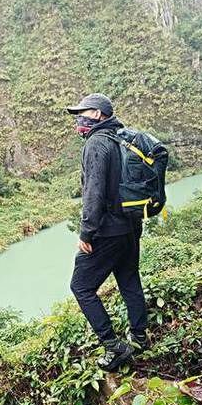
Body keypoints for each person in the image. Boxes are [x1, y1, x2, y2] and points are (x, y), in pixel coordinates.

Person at [66, 93, 149, 372]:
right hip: (130, 226)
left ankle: (115, 347)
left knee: (81, 286)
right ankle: (140, 337)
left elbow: (94, 193)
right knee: (128, 279)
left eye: (84, 113)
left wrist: (86, 233)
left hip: (107, 231)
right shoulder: (121, 138)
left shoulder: (96, 144)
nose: (79, 119)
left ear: (99, 114)